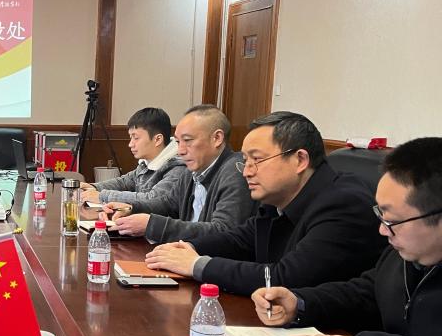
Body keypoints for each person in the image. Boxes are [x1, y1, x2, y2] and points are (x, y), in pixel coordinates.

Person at [252, 137, 442, 336]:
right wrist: (299, 303)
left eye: (393, 220)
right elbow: (366, 293)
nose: (382, 230)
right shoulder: (403, 254)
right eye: (380, 215)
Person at [144, 112, 384, 294]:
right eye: (245, 161)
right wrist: (184, 248)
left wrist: (197, 265)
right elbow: (240, 240)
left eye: (256, 160)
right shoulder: (277, 198)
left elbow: (286, 278)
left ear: (300, 160)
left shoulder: (344, 204)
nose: (246, 171)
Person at [102, 104, 254, 242]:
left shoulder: (235, 172)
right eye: (178, 142)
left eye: (187, 140)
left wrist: (152, 225)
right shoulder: (192, 170)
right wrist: (129, 208)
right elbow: (167, 204)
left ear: (217, 138)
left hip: (205, 260)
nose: (180, 151)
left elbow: (224, 232)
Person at [79, 107, 186, 212]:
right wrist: (93, 187)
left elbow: (153, 199)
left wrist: (102, 196)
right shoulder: (146, 163)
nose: (130, 144)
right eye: (131, 138)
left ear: (157, 139)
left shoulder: (178, 168)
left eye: (136, 138)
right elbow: (125, 182)